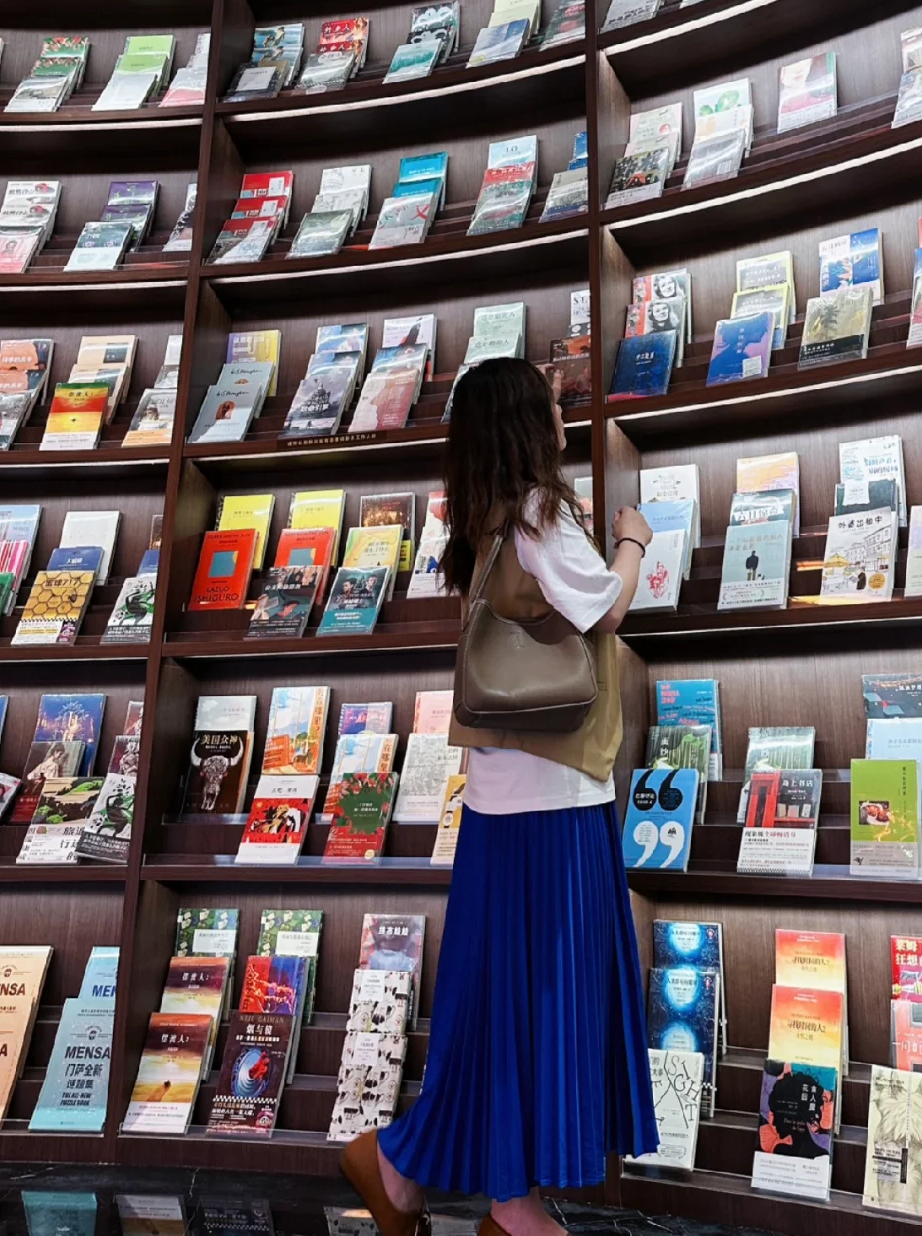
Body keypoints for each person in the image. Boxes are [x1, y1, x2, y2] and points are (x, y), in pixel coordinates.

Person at [341, 357, 657, 1236]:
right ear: (527, 422)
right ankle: (499, 1201)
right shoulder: (540, 512)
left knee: (497, 1002)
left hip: (496, 801)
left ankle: (410, 1172)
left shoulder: (479, 522)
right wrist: (633, 539)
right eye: (552, 404)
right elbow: (608, 608)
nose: (563, 416)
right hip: (556, 797)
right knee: (548, 998)